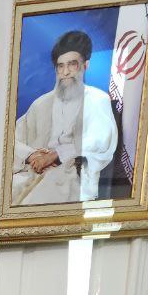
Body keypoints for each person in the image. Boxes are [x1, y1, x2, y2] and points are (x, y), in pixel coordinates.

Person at [12, 29, 117, 205]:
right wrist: (31, 155)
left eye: (72, 64)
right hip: (32, 173)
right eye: (60, 66)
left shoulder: (97, 100)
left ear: (85, 66)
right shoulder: (41, 103)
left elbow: (99, 140)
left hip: (70, 176)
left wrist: (55, 155)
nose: (65, 72)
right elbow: (10, 141)